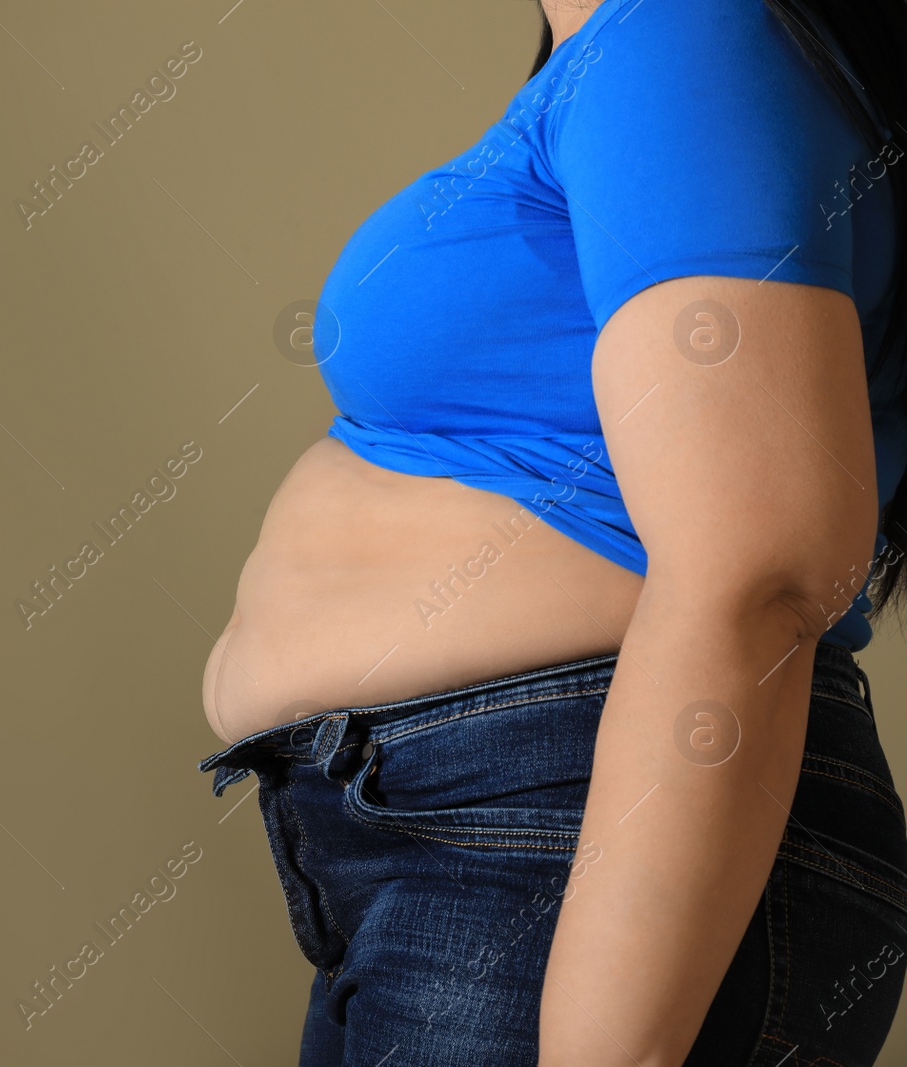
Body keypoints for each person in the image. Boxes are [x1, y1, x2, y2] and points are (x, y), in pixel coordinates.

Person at [196, 0, 907, 1062]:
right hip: (457, 832)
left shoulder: (682, 28)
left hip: (553, 821)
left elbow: (756, 566)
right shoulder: (628, 57)